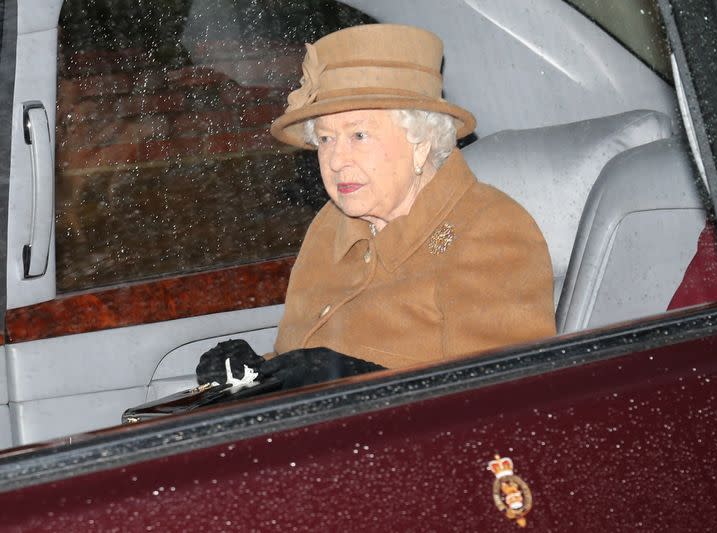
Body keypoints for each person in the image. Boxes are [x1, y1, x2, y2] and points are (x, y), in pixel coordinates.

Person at [197, 24, 555, 389]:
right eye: (325, 138)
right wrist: (254, 374)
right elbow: (308, 361)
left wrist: (358, 378)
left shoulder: (488, 232)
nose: (335, 161)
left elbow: (501, 399)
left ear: (421, 141)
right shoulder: (328, 226)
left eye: (359, 135)